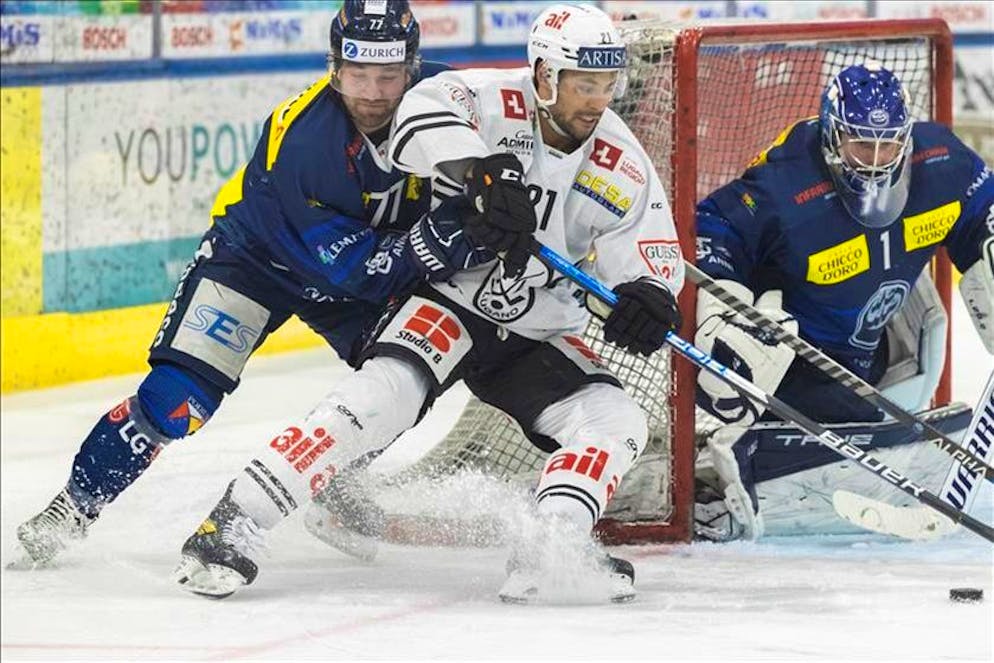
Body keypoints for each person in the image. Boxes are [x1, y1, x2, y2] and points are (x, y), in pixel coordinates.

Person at [172, 3, 684, 603]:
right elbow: (418, 114)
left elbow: (646, 249)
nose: (597, 101)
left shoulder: (621, 158)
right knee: (380, 400)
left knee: (616, 420)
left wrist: (648, 295)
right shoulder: (490, 99)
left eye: (605, 85)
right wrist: (480, 170)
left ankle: (552, 546)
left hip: (536, 330)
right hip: (448, 301)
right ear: (545, 76)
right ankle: (233, 523)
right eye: (583, 85)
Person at [15, 0, 486, 565]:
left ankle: (337, 479)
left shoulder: (452, 98)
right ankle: (74, 505)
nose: (372, 94)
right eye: (357, 74)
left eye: (388, 76)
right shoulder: (305, 141)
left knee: (416, 370)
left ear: (412, 67)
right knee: (178, 400)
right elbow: (362, 272)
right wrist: (454, 235)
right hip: (257, 264)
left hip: (354, 270)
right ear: (334, 68)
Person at [692, 62, 994, 541]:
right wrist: (725, 303)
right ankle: (722, 471)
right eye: (861, 144)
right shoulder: (786, 181)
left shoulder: (942, 162)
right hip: (790, 360)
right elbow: (712, 227)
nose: (875, 160)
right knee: (826, 401)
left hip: (871, 356)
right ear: (833, 137)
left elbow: (982, 213)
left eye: (888, 144)